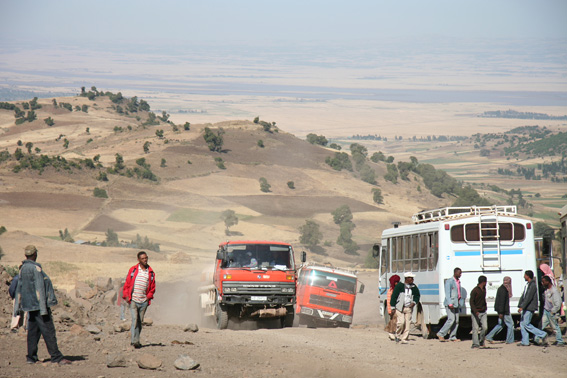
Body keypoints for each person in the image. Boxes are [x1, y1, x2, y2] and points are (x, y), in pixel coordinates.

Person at [13, 245, 71, 365]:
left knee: (33, 332)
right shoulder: (36, 269)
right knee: (48, 331)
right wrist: (44, 309)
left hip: (30, 306)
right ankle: (56, 357)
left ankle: (31, 357)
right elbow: (40, 288)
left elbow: (19, 288)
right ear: (35, 255)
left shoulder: (22, 268)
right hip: (39, 307)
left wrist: (18, 308)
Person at [123, 251, 156, 348]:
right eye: (143, 258)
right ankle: (134, 341)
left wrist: (148, 297)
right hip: (133, 300)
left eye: (146, 258)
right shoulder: (133, 270)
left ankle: (136, 339)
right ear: (138, 260)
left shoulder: (151, 273)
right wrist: (126, 295)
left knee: (139, 321)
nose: (145, 260)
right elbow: (127, 284)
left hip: (143, 301)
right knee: (134, 319)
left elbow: (152, 287)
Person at [517, 270, 547, 347]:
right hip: (526, 307)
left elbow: (528, 297)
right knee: (522, 324)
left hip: (529, 307)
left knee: (526, 324)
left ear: (528, 276)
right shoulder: (528, 285)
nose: (524, 276)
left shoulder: (532, 285)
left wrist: (522, 306)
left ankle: (542, 334)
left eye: (525, 275)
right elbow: (524, 296)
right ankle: (525, 341)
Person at [390, 272, 420, 344]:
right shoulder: (400, 286)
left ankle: (404, 338)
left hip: (408, 308)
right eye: (411, 278)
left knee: (408, 324)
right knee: (401, 322)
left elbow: (417, 296)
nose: (412, 279)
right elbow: (394, 296)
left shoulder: (414, 287)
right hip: (400, 308)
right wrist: (393, 307)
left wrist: (414, 302)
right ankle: (397, 335)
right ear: (407, 279)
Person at [486, 276, 515, 344]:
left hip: (502, 311)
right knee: (510, 324)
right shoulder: (503, 290)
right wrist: (501, 312)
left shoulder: (502, 288)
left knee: (500, 324)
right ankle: (510, 340)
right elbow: (502, 302)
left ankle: (489, 336)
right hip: (504, 311)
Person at [437, 267, 462, 342]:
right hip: (450, 304)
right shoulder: (449, 281)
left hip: (456, 303)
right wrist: (449, 303)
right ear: (455, 273)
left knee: (456, 321)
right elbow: (447, 293)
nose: (460, 274)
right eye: (459, 273)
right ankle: (441, 333)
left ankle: (453, 336)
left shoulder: (458, 281)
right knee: (451, 319)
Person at [541, 275, 564, 346]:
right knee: (541, 325)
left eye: (543, 282)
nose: (542, 283)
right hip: (546, 310)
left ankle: (560, 341)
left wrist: (553, 311)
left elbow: (558, 303)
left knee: (555, 327)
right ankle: (537, 339)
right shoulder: (547, 290)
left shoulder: (554, 291)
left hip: (551, 312)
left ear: (548, 282)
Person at [470, 275, 488, 349]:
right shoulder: (475, 290)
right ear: (483, 282)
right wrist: (475, 311)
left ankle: (481, 340)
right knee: (475, 328)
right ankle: (475, 344)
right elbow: (471, 302)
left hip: (483, 311)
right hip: (475, 312)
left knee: (485, 327)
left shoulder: (484, 289)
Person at [386, 274, 401, 341]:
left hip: (399, 309)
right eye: (395, 282)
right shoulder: (390, 291)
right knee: (393, 322)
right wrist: (390, 311)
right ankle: (391, 333)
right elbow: (389, 302)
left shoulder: (399, 289)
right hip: (393, 310)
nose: (396, 283)